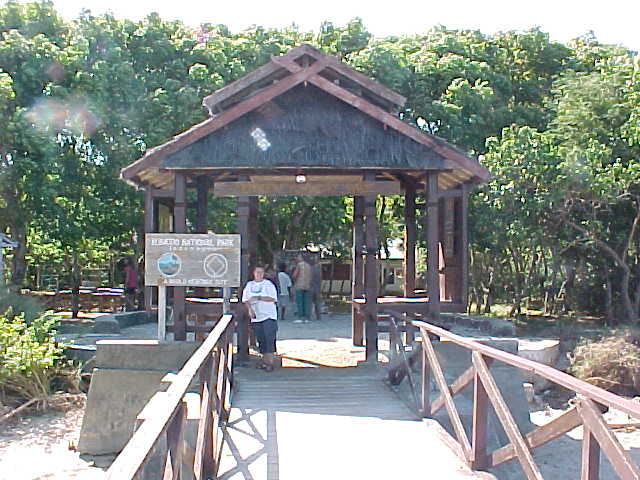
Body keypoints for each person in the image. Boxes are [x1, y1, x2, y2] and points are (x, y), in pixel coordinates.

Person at [242, 266, 278, 371]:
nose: (259, 274)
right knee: (261, 339)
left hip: (268, 315)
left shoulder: (268, 285)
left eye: (261, 272)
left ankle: (270, 362)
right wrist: (249, 309)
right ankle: (264, 361)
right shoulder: (249, 285)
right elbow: (246, 300)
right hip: (256, 316)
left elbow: (273, 298)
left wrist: (258, 298)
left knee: (269, 338)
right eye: (257, 272)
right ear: (253, 273)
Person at [292, 254, 312, 323]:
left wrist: (294, 279)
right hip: (307, 286)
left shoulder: (299, 265)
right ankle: (307, 317)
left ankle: (301, 317)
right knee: (306, 302)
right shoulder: (308, 266)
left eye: (298, 257)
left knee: (300, 302)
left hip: (299, 285)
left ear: (301, 258)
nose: (297, 258)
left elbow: (295, 275)